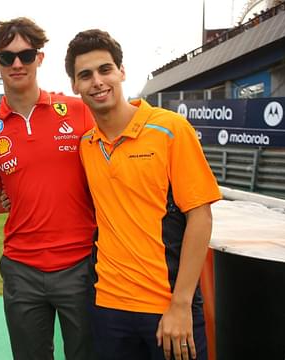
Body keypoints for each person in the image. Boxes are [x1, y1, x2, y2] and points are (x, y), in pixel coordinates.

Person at [64, 29, 222, 360]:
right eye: (85, 75)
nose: (97, 81)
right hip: (107, 306)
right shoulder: (86, 146)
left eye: (105, 70)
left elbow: (200, 216)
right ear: (75, 86)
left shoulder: (169, 129)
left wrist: (180, 304)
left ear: (121, 72)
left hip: (168, 306)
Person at [0, 17, 97, 360]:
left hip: (80, 265)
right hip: (22, 271)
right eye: (7, 57)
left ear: (40, 58)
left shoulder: (79, 112)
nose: (17, 64)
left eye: (26, 55)